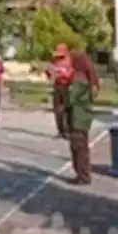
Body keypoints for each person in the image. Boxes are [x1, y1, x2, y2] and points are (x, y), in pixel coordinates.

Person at [65, 50, 99, 184]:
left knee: (77, 147)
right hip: (84, 118)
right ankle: (84, 173)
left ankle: (82, 175)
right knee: (83, 147)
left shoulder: (77, 79)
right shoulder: (86, 77)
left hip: (76, 118)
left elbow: (70, 99)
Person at [46, 44, 73, 139]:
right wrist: (49, 71)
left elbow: (71, 74)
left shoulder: (70, 61)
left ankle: (68, 131)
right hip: (57, 86)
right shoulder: (54, 60)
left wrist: (63, 72)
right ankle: (60, 131)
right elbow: (49, 73)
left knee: (67, 109)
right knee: (58, 110)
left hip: (68, 86)